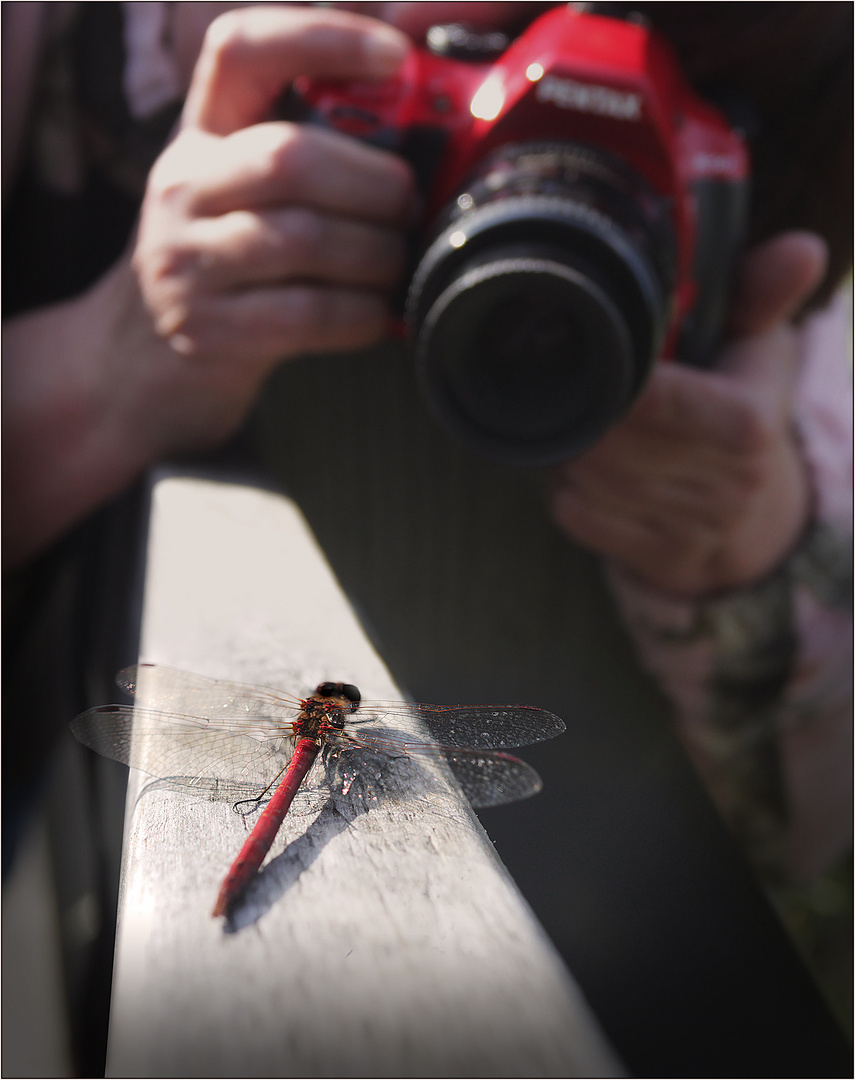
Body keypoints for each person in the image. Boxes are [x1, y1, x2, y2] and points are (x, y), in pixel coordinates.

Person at [3, 3, 851, 887]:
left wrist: (744, 550)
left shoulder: (758, 294)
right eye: (511, 35)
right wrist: (101, 368)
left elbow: (797, 850)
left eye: (676, 126)